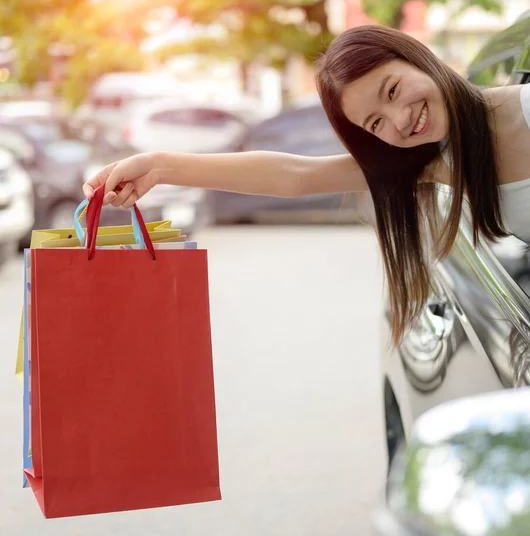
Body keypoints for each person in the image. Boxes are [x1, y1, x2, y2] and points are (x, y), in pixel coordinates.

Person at [83, 25, 530, 344]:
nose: (400, 120)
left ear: (419, 58)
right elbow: (296, 175)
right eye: (376, 122)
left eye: (392, 90)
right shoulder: (437, 164)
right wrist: (161, 167)